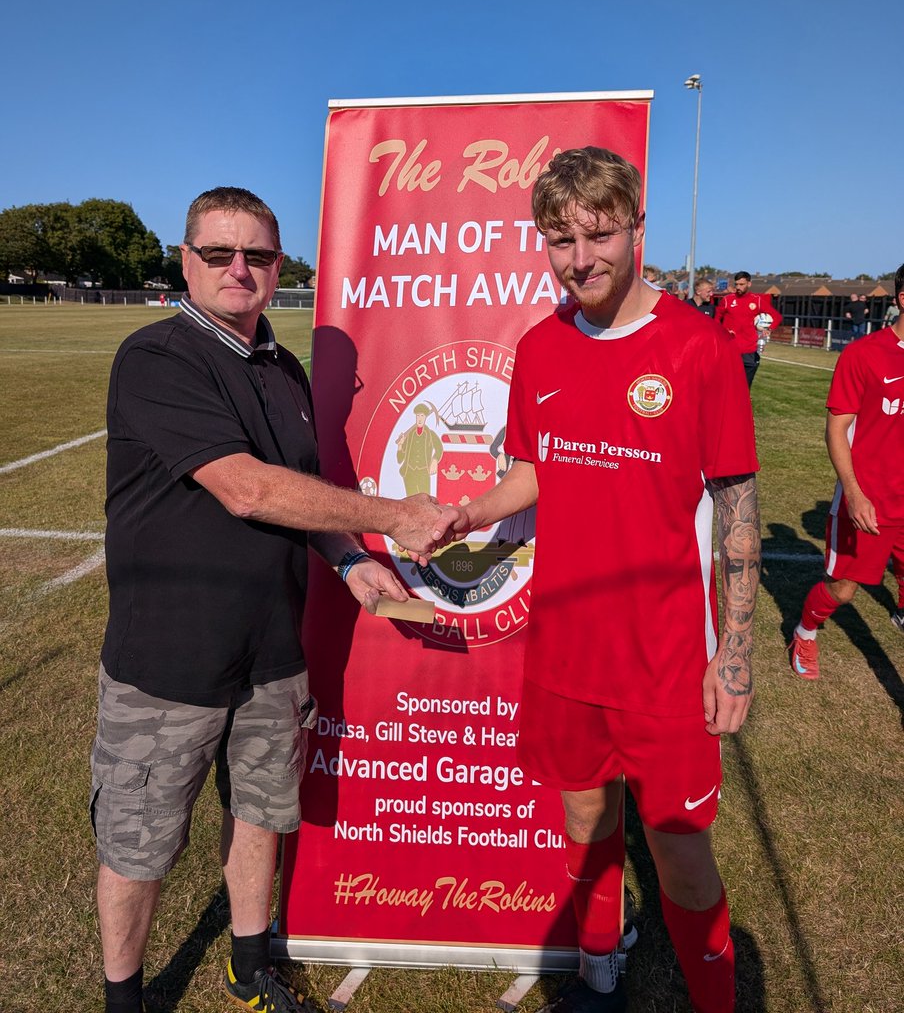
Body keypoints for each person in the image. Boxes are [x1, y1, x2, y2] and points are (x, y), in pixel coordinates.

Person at [92, 187, 457, 1013]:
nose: (238, 270)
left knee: (261, 814)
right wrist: (398, 517)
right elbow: (250, 490)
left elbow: (306, 494)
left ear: (278, 265)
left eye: (256, 255)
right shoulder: (159, 358)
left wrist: (352, 563)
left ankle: (250, 964)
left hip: (270, 651)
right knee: (141, 845)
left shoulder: (282, 367)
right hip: (169, 657)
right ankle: (124, 997)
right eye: (218, 254)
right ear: (185, 261)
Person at [438, 148, 760, 1012]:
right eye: (560, 239)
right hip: (567, 654)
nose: (581, 258)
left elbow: (738, 507)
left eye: (599, 233)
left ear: (637, 229)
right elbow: (535, 470)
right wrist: (473, 511)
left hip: (664, 661)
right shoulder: (540, 348)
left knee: (681, 853)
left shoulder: (700, 349)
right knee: (585, 825)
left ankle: (716, 999)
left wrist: (734, 653)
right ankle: (597, 965)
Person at [790, 262, 904, 677]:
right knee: (844, 589)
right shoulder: (864, 354)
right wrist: (854, 494)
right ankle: (805, 632)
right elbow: (836, 430)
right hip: (870, 501)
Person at [715, 271, 782, 388]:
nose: (738, 287)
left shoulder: (757, 300)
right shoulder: (727, 300)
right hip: (729, 348)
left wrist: (769, 328)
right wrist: (721, 333)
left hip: (748, 350)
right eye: (737, 284)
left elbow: (777, 316)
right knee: (726, 385)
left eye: (742, 284)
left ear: (749, 284)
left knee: (744, 388)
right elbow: (716, 320)